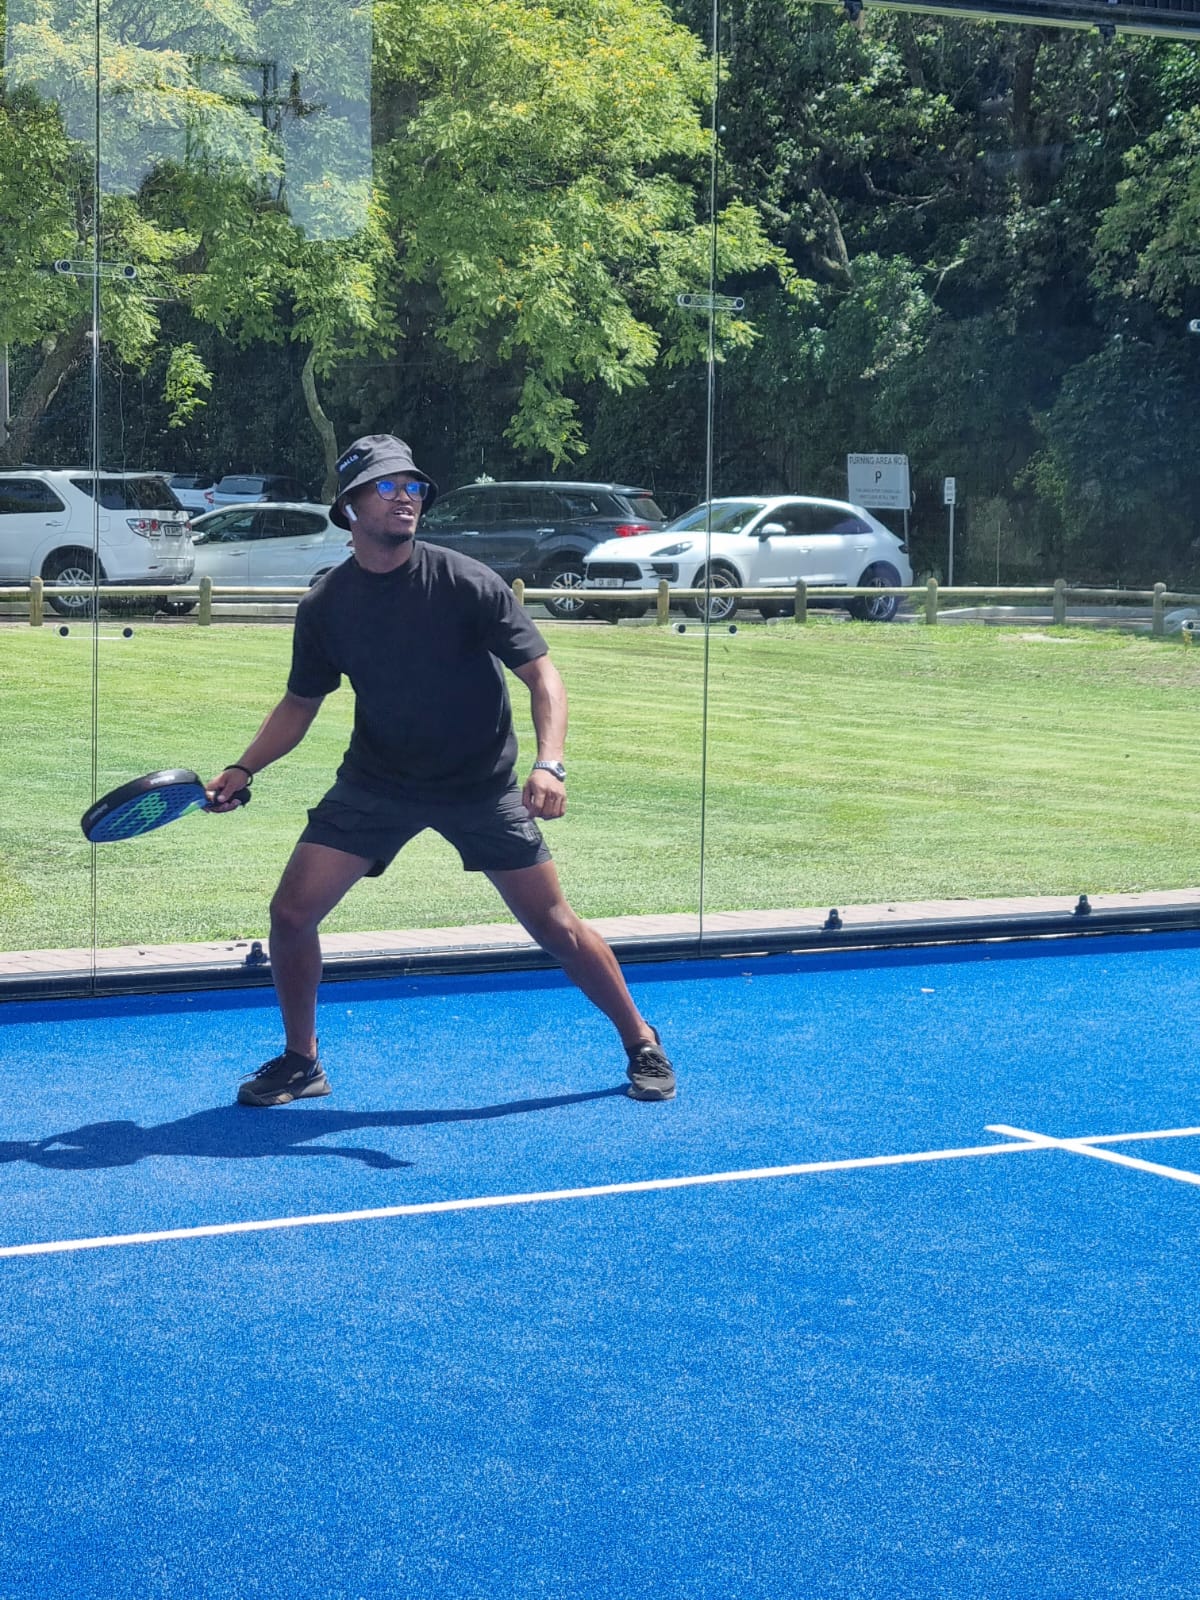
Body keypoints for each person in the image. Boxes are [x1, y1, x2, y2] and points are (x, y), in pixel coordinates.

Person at [206, 434, 675, 1109]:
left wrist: (550, 764)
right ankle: (302, 1062)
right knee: (291, 913)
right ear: (349, 505)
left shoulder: (466, 582)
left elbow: (543, 676)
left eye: (414, 487)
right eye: (388, 486)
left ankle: (640, 1039)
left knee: (554, 925)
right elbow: (301, 703)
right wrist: (243, 767)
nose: (406, 497)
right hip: (377, 783)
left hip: (479, 785)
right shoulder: (327, 605)